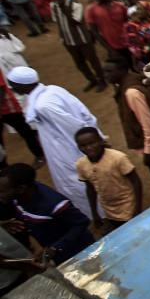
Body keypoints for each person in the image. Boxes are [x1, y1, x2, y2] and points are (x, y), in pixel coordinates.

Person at [7, 66, 100, 219]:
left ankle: (98, 214)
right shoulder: (51, 90)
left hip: (68, 150)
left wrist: (89, 146)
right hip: (63, 146)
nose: (12, 87)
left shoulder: (43, 106)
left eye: (13, 84)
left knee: (79, 182)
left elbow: (72, 126)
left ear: (22, 84)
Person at [103, 56, 150, 196]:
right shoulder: (132, 81)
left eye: (109, 71)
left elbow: (148, 125)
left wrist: (148, 152)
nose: (106, 75)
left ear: (122, 70)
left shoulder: (131, 93)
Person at [0, 163, 93, 264]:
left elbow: (81, 222)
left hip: (81, 252)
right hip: (57, 256)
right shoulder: (17, 196)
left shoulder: (53, 204)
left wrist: (55, 248)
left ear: (21, 189)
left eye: (2, 191)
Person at [74, 127, 143, 231]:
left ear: (100, 140)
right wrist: (94, 213)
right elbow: (90, 188)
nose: (88, 148)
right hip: (109, 209)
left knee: (135, 231)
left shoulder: (118, 158)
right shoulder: (81, 165)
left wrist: (137, 208)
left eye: (92, 143)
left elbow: (136, 182)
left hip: (128, 205)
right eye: (83, 146)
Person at [50, 0, 105, 92]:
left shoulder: (75, 5)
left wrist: (65, 9)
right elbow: (57, 21)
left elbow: (75, 22)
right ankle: (92, 80)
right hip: (67, 40)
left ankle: (102, 80)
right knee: (79, 63)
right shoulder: (53, 6)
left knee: (93, 60)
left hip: (82, 38)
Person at [85, 0, 132, 64]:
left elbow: (128, 23)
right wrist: (109, 48)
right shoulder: (91, 9)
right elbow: (94, 31)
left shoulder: (120, 6)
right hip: (111, 46)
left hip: (128, 44)